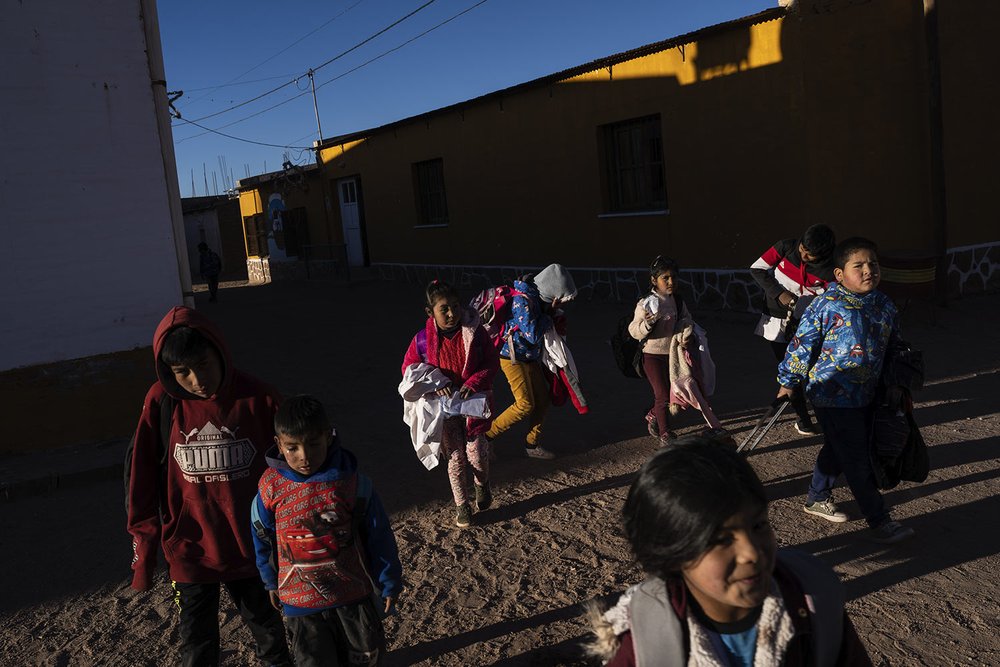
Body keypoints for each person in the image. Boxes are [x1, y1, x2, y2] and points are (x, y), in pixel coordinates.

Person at [587, 438, 872, 666]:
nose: (751, 553)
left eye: (758, 525)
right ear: (671, 553)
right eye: (721, 540)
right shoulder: (645, 642)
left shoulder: (813, 600)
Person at [126, 306, 291, 667]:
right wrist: (145, 550)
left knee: (269, 633)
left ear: (219, 351)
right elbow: (141, 477)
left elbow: (293, 470)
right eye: (182, 372)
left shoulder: (259, 398)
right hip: (189, 551)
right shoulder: (162, 402)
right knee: (196, 643)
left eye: (203, 363)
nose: (197, 379)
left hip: (252, 551)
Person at [777, 237, 915, 544]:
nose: (869, 271)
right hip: (831, 394)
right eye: (859, 265)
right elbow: (802, 346)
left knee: (842, 445)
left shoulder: (883, 304)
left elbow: (895, 346)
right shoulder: (825, 305)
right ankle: (879, 520)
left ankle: (816, 495)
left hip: (870, 392)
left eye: (873, 264)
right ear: (839, 274)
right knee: (855, 456)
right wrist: (788, 382)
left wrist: (896, 383)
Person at [251, 396, 403, 667]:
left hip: (352, 596)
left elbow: (379, 536)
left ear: (328, 437)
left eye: (313, 444)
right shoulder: (270, 488)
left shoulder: (352, 484)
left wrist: (388, 579)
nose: (304, 456)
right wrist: (270, 580)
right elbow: (261, 535)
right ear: (278, 445)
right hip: (301, 602)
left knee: (366, 658)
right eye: (292, 447)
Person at [401, 279, 500, 528]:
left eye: (455, 306)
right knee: (455, 458)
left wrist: (474, 382)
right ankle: (461, 505)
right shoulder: (422, 341)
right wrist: (436, 381)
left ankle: (482, 484)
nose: (451, 313)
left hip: (472, 404)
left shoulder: (476, 333)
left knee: (477, 453)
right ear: (430, 312)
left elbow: (491, 362)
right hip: (444, 410)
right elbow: (409, 370)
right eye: (443, 308)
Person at [750, 224, 836, 436]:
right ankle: (803, 418)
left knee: (815, 372)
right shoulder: (786, 247)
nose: (804, 255)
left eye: (811, 255)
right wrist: (780, 295)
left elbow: (833, 298)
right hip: (777, 321)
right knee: (789, 371)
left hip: (812, 325)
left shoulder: (833, 268)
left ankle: (825, 416)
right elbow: (757, 269)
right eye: (803, 249)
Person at [485, 263, 577, 459]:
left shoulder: (535, 298)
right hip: (511, 358)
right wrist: (549, 316)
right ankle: (486, 437)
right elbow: (532, 334)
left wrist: (548, 313)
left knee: (543, 401)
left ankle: (532, 444)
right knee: (525, 404)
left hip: (529, 357)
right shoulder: (523, 302)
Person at [627, 256, 711, 448]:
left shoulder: (678, 302)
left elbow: (687, 319)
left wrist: (686, 331)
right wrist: (647, 323)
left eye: (674, 277)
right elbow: (633, 330)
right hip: (652, 355)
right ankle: (665, 433)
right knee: (663, 395)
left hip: (675, 356)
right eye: (665, 278)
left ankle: (653, 414)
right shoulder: (645, 304)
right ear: (653, 280)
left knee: (679, 394)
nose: (671, 282)